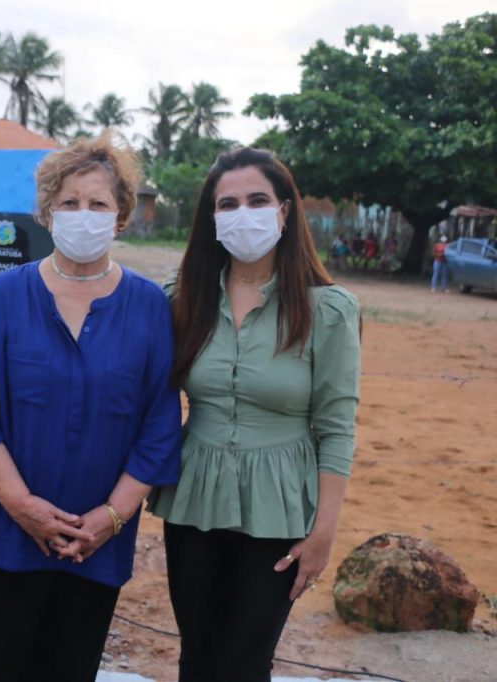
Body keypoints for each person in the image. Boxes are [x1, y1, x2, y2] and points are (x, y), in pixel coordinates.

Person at [0, 133, 182, 682]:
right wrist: (23, 506)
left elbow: (159, 426)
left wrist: (111, 518)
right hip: (8, 532)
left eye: (98, 204)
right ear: (48, 213)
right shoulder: (6, 296)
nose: (83, 215)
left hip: (96, 544)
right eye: (69, 202)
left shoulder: (149, 306)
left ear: (121, 216)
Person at [149, 147, 361, 682]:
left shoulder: (327, 309)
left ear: (284, 211)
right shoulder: (181, 299)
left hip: (281, 504)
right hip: (193, 496)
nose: (243, 214)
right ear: (211, 217)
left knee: (245, 663)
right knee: (197, 655)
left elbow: (336, 427)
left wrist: (324, 531)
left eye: (258, 200)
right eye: (228, 204)